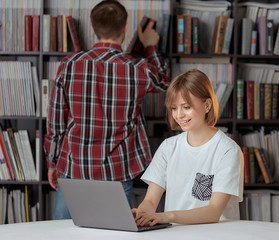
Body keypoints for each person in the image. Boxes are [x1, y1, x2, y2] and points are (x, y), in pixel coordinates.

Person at [43, 0, 170, 220]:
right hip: (117, 170)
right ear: (124, 28)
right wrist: (149, 45)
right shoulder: (138, 69)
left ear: (92, 28)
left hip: (74, 167)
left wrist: (53, 163)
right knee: (115, 232)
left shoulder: (69, 65)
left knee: (60, 234)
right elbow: (166, 82)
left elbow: (56, 122)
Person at [132, 69, 244, 226]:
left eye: (186, 107)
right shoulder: (168, 147)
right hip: (176, 234)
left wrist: (167, 216)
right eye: (174, 108)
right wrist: (142, 213)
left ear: (207, 105)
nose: (179, 115)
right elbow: (150, 200)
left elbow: (214, 211)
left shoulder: (228, 150)